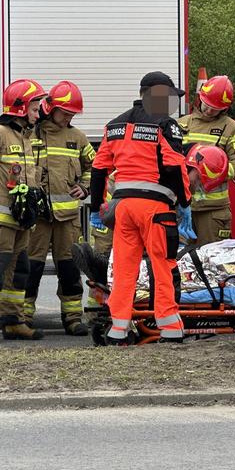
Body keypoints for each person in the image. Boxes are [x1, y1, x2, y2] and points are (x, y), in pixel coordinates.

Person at [89, 71, 191, 344]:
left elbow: (99, 169)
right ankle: (170, 328)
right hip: (155, 209)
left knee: (123, 269)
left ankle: (118, 329)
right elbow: (175, 165)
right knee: (163, 265)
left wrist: (96, 206)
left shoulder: (114, 126)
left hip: (123, 207)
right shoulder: (165, 125)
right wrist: (184, 202)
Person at [0, 79, 47, 342]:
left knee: (18, 272)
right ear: (19, 107)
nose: (38, 114)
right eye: (35, 108)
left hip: (21, 222)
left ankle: (13, 321)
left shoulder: (26, 138)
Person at [23, 81, 94, 336]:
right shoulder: (30, 133)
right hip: (38, 218)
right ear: (50, 107)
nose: (68, 119)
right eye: (65, 113)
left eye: (72, 115)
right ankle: (24, 317)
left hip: (68, 219)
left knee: (69, 269)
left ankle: (73, 318)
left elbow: (95, 167)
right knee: (31, 269)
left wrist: (85, 188)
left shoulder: (77, 138)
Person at [178, 75, 235, 246]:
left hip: (213, 210)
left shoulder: (231, 128)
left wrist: (210, 173)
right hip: (181, 205)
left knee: (213, 264)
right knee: (178, 263)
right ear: (200, 99)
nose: (210, 111)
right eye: (207, 105)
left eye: (215, 109)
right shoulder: (181, 124)